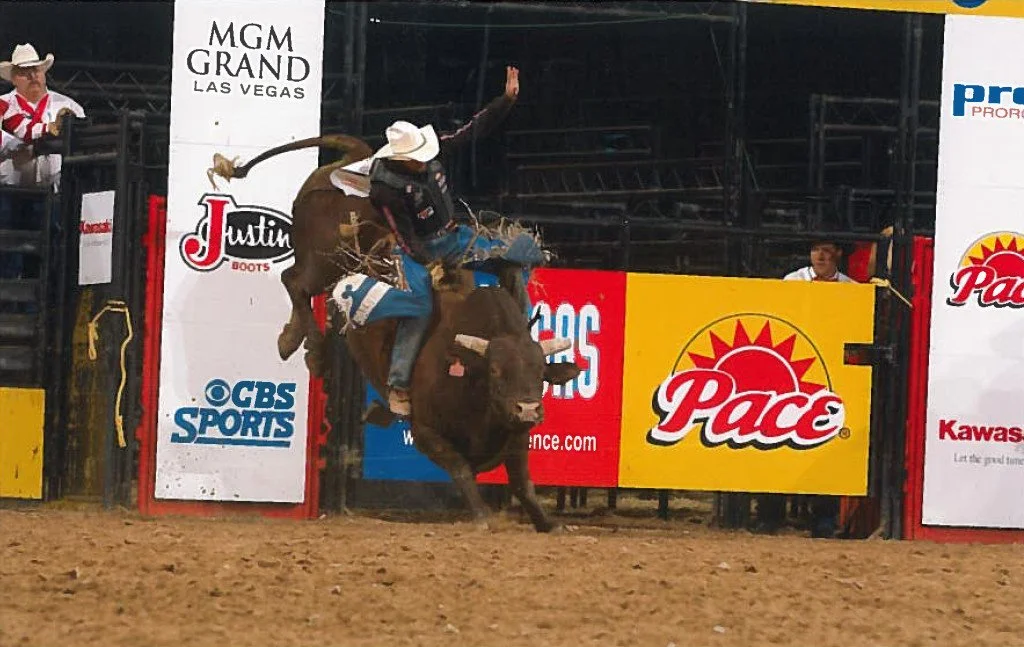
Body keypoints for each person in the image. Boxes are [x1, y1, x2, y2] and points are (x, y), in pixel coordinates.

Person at [367, 65, 544, 416]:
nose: (424, 163)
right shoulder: (385, 188)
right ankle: (399, 384)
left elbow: (473, 130)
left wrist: (505, 100)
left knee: (516, 259)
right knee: (419, 306)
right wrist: (430, 265)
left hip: (453, 236)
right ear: (401, 159)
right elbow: (404, 236)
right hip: (417, 252)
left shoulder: (434, 153)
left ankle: (520, 340)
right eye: (417, 160)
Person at [0, 43, 84, 291]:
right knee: (7, 256)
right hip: (9, 194)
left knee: (50, 257)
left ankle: (43, 307)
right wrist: (25, 142)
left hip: (53, 194)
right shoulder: (3, 105)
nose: (33, 76)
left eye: (36, 70)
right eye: (25, 72)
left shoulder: (69, 107)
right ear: (14, 78)